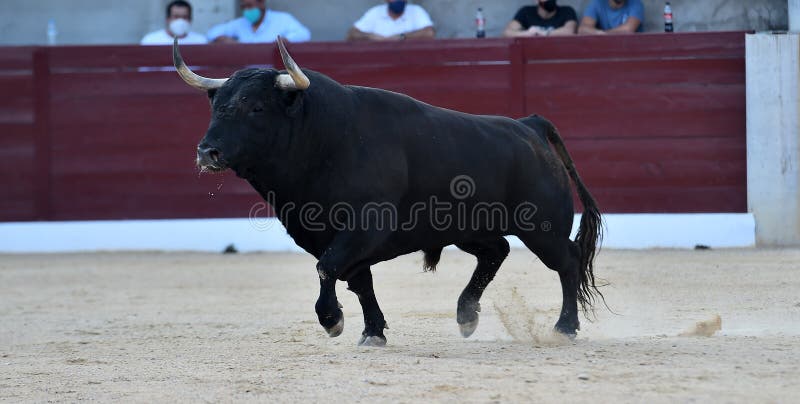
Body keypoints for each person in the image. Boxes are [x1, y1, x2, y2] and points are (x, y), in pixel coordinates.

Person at [207, 0, 311, 43]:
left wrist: (284, 41)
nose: (247, 10)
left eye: (250, 5)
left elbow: (304, 34)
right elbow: (212, 33)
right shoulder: (240, 23)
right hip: (247, 72)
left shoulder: (282, 19)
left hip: (274, 70)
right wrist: (225, 39)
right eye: (243, 7)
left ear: (261, 3)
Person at [347, 0, 435, 41]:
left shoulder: (416, 10)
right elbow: (352, 34)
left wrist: (401, 37)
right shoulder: (375, 12)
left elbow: (429, 33)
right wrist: (371, 37)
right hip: (377, 60)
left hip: (410, 61)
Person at [140, 0, 207, 45]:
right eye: (176, 17)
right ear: (167, 19)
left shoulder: (201, 41)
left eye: (185, 17)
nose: (181, 21)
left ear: (190, 19)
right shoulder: (150, 41)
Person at [503, 0, 577, 37]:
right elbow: (507, 33)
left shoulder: (567, 11)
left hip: (558, 55)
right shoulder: (526, 12)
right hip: (532, 56)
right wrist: (528, 33)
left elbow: (570, 31)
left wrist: (545, 33)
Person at [578, 0, 645, 34]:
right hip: (604, 49)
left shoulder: (635, 3)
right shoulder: (598, 2)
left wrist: (602, 34)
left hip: (629, 50)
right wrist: (599, 33)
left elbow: (628, 30)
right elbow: (582, 29)